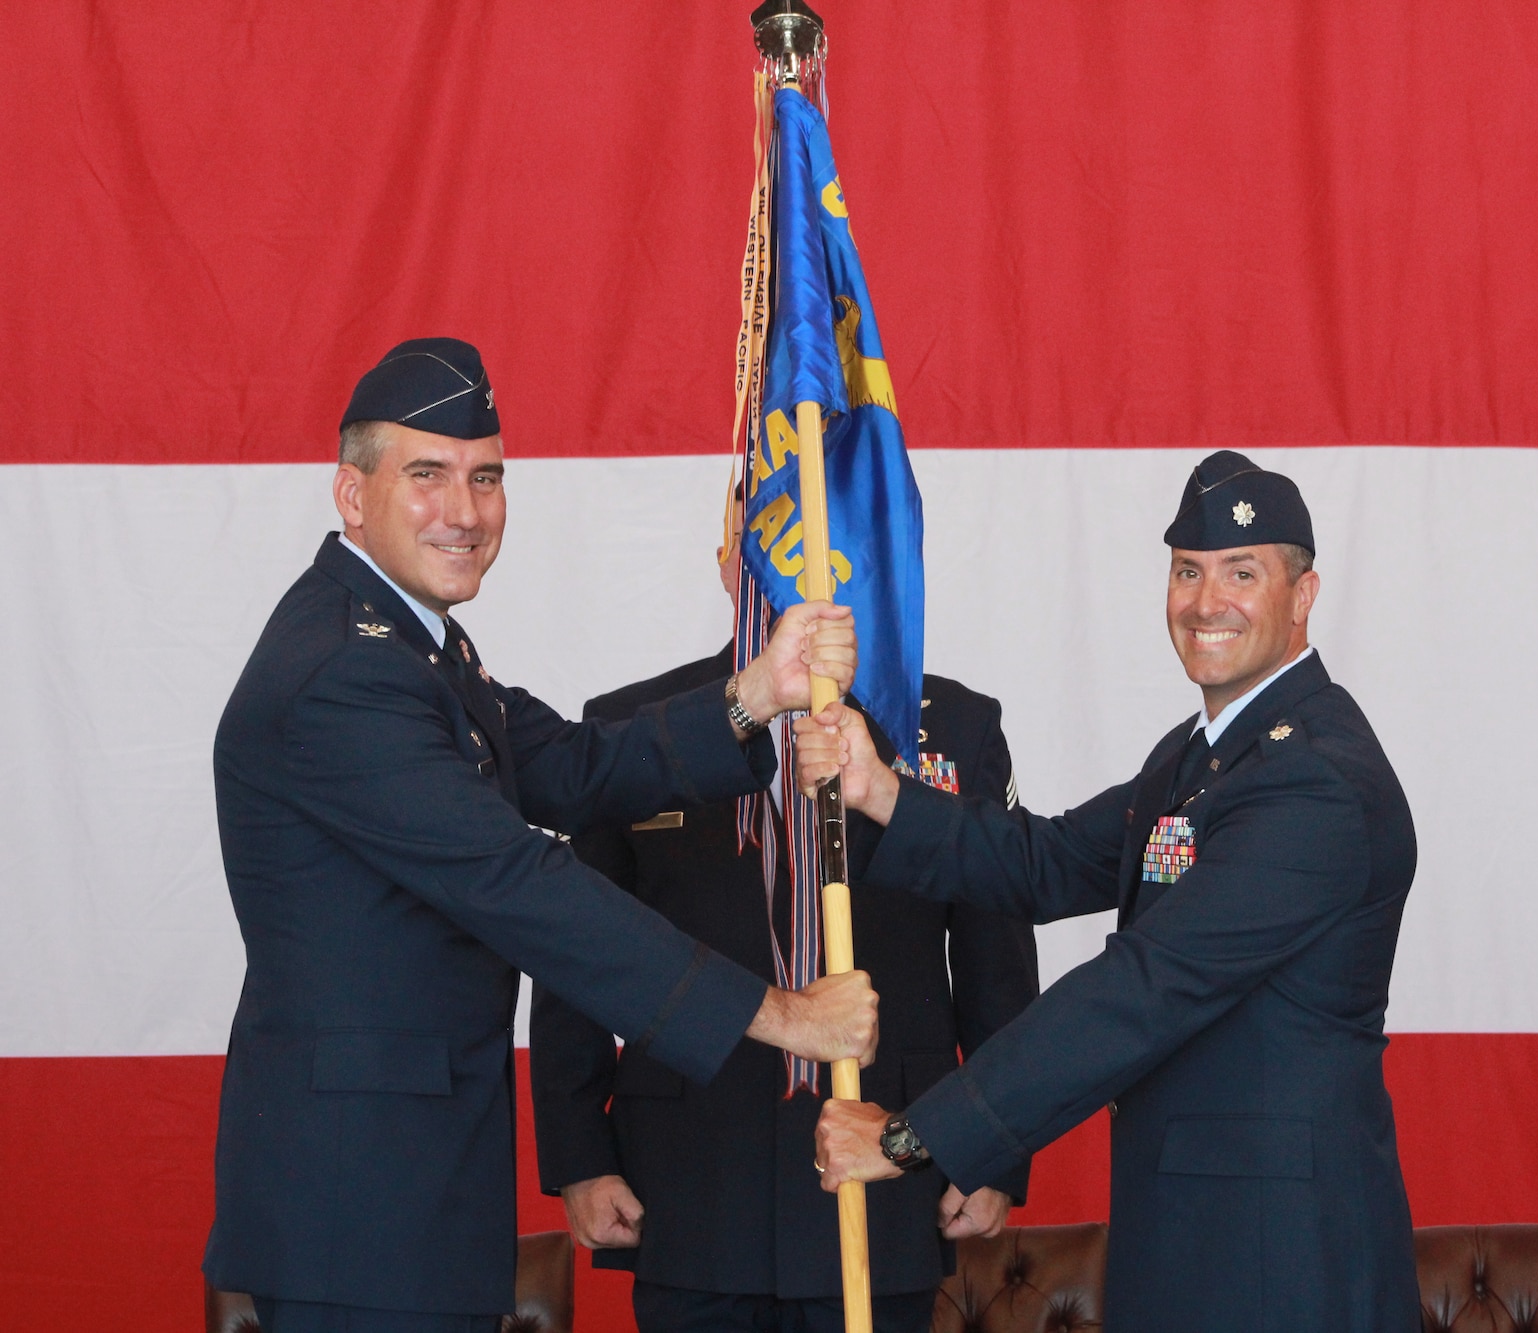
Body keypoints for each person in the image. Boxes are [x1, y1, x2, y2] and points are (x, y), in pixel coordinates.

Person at [203, 338, 880, 1333]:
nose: (465, 512)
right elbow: (521, 884)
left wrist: (757, 692)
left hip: (405, 1192)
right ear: (352, 494)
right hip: (356, 1208)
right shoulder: (346, 674)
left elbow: (570, 766)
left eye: (485, 477)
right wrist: (784, 1017)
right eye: (426, 475)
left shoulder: (413, 645)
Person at [799, 450, 1422, 1331]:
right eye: (1187, 572)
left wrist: (913, 1137)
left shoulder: (1314, 780)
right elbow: (1046, 860)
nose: (1207, 602)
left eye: (1242, 573)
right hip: (1189, 1235)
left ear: (1304, 594)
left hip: (1280, 1256)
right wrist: (881, 791)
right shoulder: (1200, 754)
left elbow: (1140, 990)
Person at [528, 490, 1040, 1333]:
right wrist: (581, 1153)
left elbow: (997, 963)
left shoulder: (953, 727)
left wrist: (992, 1145)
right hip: (689, 1183)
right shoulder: (630, 729)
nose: (793, 572)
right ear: (729, 553)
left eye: (825, 547)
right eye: (769, 544)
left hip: (888, 1177)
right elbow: (576, 956)